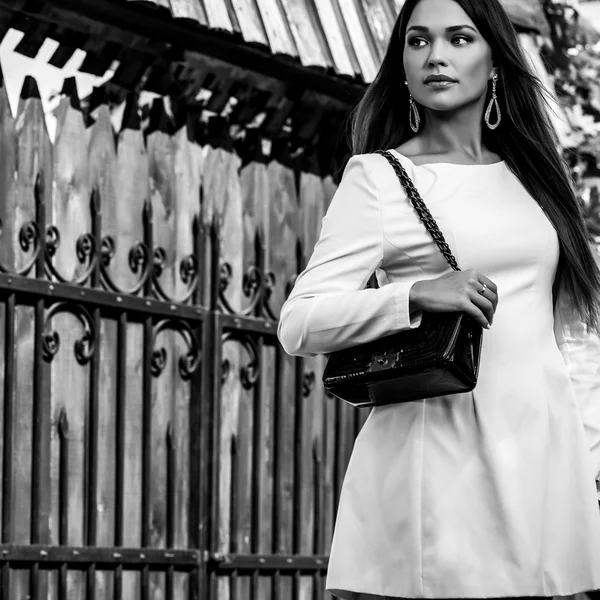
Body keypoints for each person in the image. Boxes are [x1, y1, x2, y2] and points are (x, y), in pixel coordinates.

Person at [277, 0, 600, 598]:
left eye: (459, 38)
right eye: (419, 42)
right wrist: (416, 295)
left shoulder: (535, 176)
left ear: (495, 60)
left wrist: (587, 459)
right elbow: (299, 323)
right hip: (439, 468)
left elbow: (568, 339)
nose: (437, 57)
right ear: (402, 63)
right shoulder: (378, 177)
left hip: (543, 463)